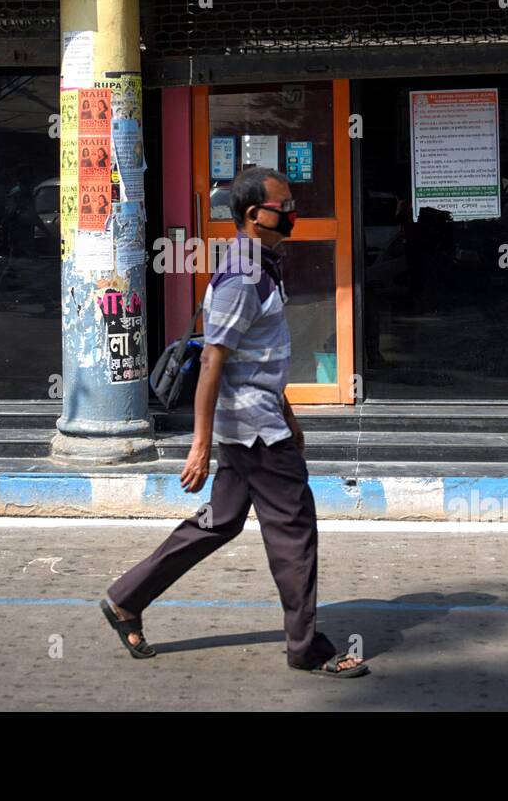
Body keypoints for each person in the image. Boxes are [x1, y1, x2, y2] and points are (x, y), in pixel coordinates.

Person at [100, 166, 369, 677]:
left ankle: (125, 599)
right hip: (253, 432)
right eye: (283, 206)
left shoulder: (261, 266)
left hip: (259, 423)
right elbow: (213, 360)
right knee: (293, 533)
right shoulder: (242, 276)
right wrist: (200, 444)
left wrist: (287, 413)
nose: (292, 213)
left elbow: (260, 356)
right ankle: (307, 648)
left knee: (219, 522)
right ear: (253, 215)